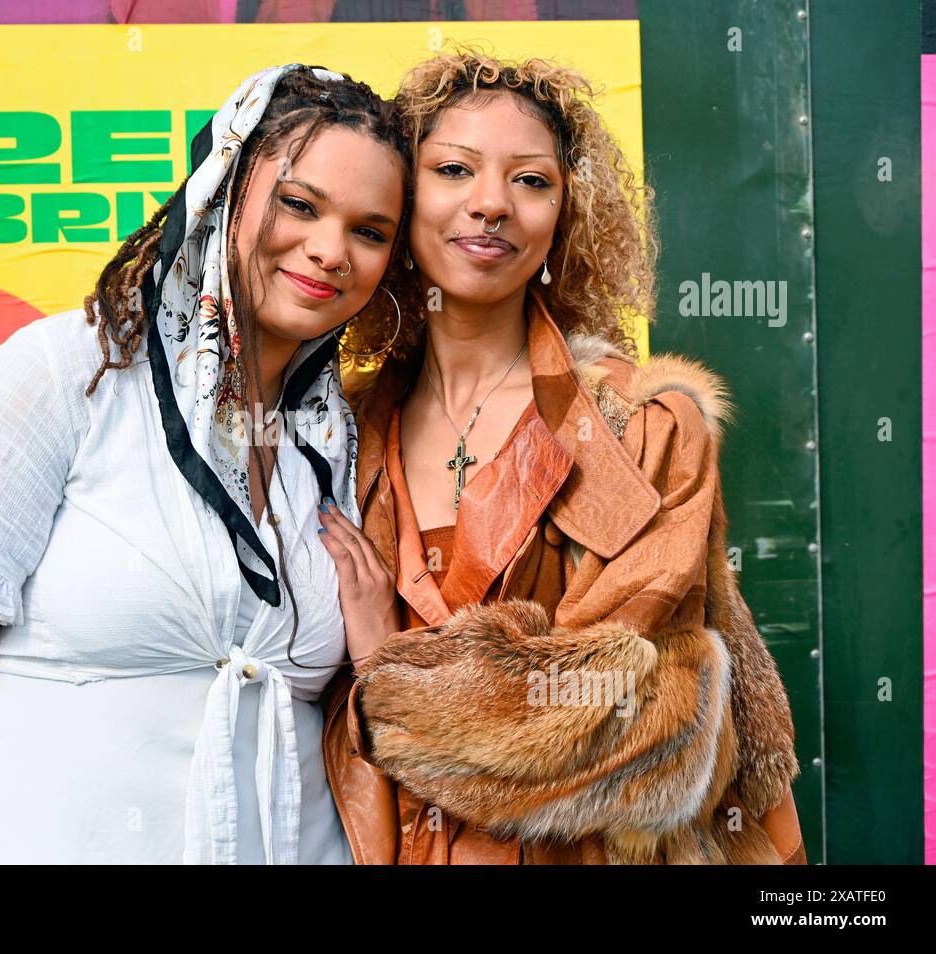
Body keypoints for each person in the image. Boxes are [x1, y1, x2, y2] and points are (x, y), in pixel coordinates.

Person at [0, 63, 412, 863]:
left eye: (370, 231)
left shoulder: (342, 443)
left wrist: (380, 658)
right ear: (223, 192)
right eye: (299, 205)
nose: (331, 250)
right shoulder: (66, 372)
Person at [315, 45, 806, 864]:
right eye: (453, 170)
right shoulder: (338, 433)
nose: (491, 205)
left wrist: (381, 674)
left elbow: (632, 721)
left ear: (567, 215)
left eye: (531, 180)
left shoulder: (641, 429)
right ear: (399, 204)